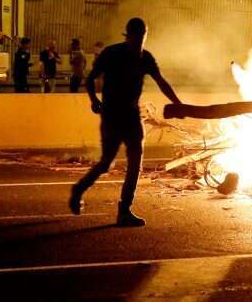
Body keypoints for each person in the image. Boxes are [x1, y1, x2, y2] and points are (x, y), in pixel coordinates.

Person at [69, 18, 182, 226]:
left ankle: (124, 210)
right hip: (112, 115)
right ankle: (79, 189)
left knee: (135, 163)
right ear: (128, 35)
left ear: (145, 36)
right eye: (136, 36)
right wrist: (94, 100)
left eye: (142, 37)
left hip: (131, 116)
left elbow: (161, 82)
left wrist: (178, 103)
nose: (139, 40)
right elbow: (90, 78)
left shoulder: (145, 58)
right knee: (106, 163)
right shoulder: (112, 53)